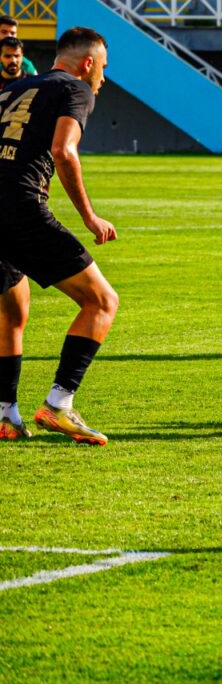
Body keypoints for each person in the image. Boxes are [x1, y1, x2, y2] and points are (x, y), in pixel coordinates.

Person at [0, 27, 120, 444]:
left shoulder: (15, 88)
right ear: (88, 63)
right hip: (19, 207)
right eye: (103, 67)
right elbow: (63, 150)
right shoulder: (76, 89)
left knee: (12, 312)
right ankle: (58, 405)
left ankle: (5, 414)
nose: (103, 77)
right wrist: (88, 216)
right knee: (102, 301)